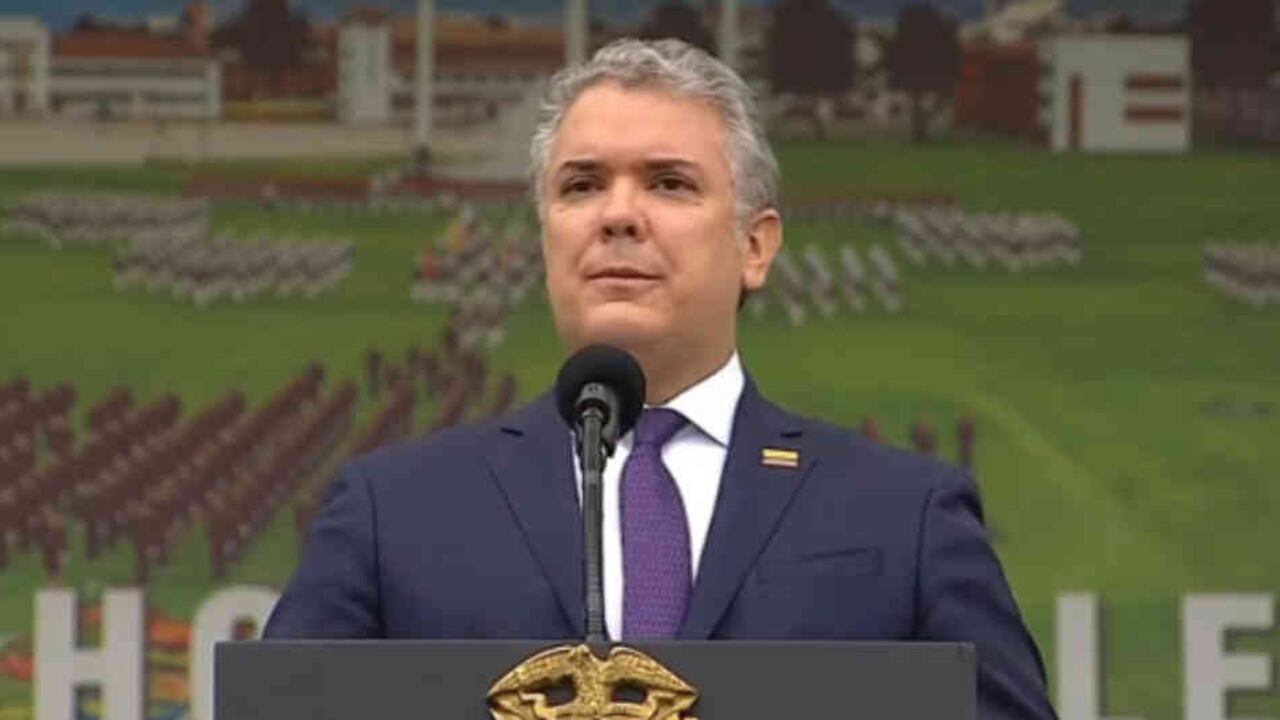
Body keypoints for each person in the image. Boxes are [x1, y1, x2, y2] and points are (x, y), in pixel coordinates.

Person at [265, 38, 1055, 720]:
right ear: (545, 239)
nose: (617, 214)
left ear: (755, 245)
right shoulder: (392, 513)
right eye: (581, 185)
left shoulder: (905, 517)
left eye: (669, 183)